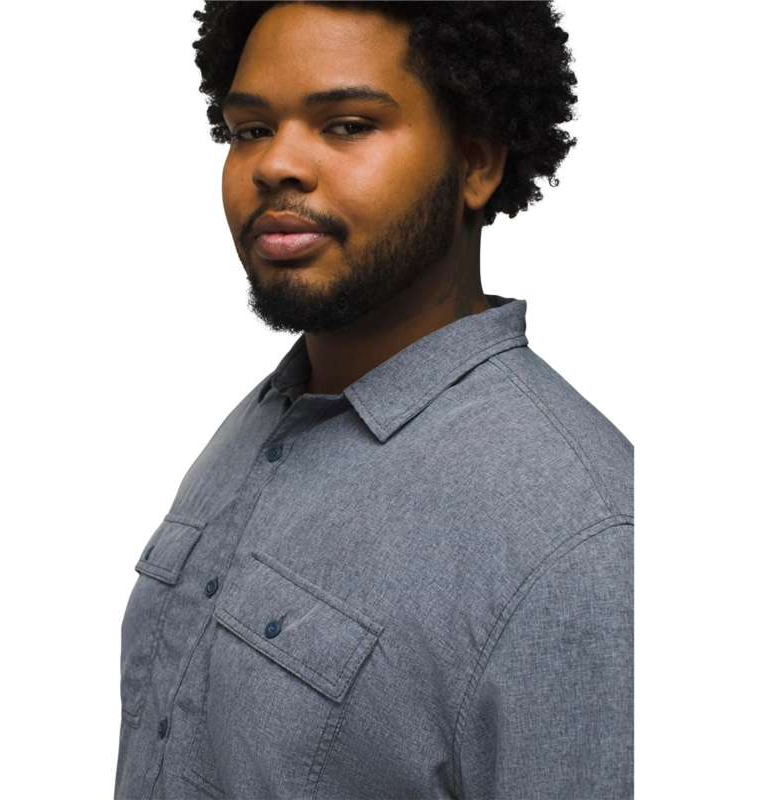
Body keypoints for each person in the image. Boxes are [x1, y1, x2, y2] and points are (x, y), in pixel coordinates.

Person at [114, 1, 633, 798]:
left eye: (348, 125)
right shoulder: (266, 417)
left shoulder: (582, 541)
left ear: (476, 164)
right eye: (250, 129)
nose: (274, 164)